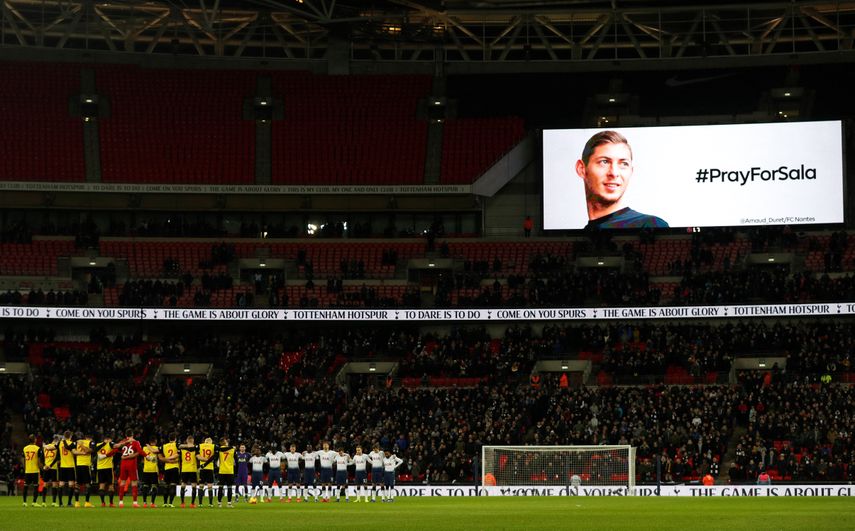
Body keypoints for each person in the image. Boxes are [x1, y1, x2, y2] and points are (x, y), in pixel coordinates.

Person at [575, 130, 668, 229]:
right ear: (581, 169)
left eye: (624, 164)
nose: (614, 173)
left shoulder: (650, 225)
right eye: (604, 162)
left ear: (631, 171)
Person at [116, 429, 143, 508]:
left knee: (122, 482)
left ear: (126, 435)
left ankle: (120, 502)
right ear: (132, 435)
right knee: (134, 483)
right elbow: (139, 452)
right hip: (132, 464)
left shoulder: (123, 442)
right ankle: (134, 502)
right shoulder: (136, 442)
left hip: (123, 464)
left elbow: (116, 448)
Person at [93, 433, 117, 507]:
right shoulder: (110, 444)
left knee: (101, 486)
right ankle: (111, 503)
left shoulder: (98, 445)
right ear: (109, 439)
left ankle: (103, 503)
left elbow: (94, 450)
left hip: (100, 468)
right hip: (108, 467)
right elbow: (117, 448)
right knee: (111, 486)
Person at [72, 432, 94, 507]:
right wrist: (82, 446)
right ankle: (87, 502)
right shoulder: (90, 442)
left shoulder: (76, 442)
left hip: (78, 465)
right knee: (88, 484)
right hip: (86, 465)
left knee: (77, 484)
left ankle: (77, 503)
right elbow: (88, 451)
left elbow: (73, 452)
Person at [213, 437, 236, 507]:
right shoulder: (232, 449)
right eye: (226, 441)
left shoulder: (219, 449)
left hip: (222, 471)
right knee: (229, 487)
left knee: (220, 487)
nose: (227, 442)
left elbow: (215, 459)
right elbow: (236, 460)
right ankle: (229, 503)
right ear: (224, 442)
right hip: (230, 471)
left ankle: (219, 503)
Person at [178, 435, 200, 508]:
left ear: (187, 441)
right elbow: (198, 457)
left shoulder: (182, 448)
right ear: (193, 441)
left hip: (184, 469)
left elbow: (179, 448)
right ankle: (192, 504)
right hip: (193, 469)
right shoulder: (195, 448)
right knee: (194, 486)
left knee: (183, 485)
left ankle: (182, 503)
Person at [159, 433, 180, 508]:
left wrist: (167, 460)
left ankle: (165, 503)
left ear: (169, 439)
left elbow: (160, 457)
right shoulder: (177, 445)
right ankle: (170, 503)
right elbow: (178, 454)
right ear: (175, 439)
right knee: (173, 485)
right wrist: (172, 460)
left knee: (166, 486)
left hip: (167, 468)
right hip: (175, 467)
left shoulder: (164, 446)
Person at [22, 434, 43, 507]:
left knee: (26, 486)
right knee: (36, 487)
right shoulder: (37, 448)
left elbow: (23, 460)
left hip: (27, 471)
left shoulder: (25, 448)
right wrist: (42, 468)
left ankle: (24, 502)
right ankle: (34, 502)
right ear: (35, 440)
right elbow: (39, 461)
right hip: (35, 470)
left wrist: (25, 468)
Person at [58, 430, 77, 507]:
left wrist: (45, 446)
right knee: (71, 485)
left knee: (61, 484)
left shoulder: (60, 443)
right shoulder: (72, 443)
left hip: (62, 466)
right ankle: (69, 502)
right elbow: (74, 452)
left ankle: (60, 503)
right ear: (70, 436)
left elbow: (52, 447)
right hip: (70, 466)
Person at [141, 436, 160, 508]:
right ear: (155, 441)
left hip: (146, 470)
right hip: (153, 470)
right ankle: (152, 503)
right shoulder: (157, 448)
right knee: (154, 486)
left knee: (145, 486)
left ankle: (144, 503)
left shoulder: (144, 448)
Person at [42, 436, 60, 507]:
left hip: (46, 467)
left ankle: (43, 502)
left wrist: (45, 465)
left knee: (45, 484)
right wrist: (51, 465)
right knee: (54, 484)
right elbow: (57, 458)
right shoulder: (56, 447)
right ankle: (54, 502)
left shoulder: (46, 447)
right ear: (57, 441)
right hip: (53, 468)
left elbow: (42, 458)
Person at [198, 437, 217, 507]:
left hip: (202, 468)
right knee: (210, 487)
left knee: (201, 486)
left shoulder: (200, 446)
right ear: (211, 442)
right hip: (210, 468)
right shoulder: (213, 446)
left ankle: (200, 503)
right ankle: (210, 503)